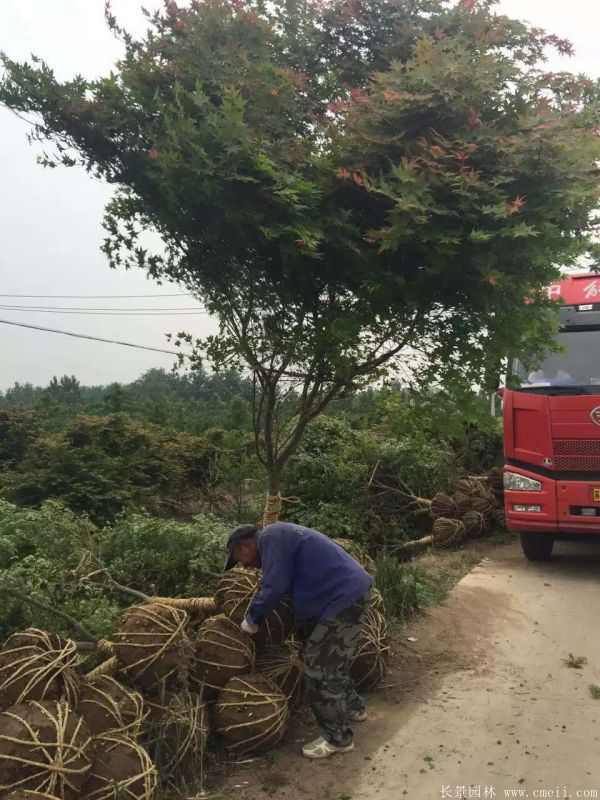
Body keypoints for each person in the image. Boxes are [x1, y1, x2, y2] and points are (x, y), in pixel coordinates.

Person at [225, 521, 373, 759]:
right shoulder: (280, 538)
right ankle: (354, 708)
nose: (245, 566)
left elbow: (274, 586)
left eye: (240, 559)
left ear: (244, 546)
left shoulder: (271, 537)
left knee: (319, 667)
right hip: (344, 594)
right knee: (330, 658)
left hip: (343, 596)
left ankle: (337, 739)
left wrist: (251, 619)